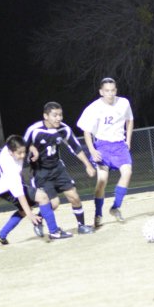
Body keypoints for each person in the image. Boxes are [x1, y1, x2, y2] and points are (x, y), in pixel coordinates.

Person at [24, 101, 96, 235]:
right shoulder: (34, 130)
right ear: (46, 116)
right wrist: (31, 148)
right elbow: (22, 146)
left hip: (58, 168)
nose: (59, 118)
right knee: (54, 203)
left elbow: (76, 148)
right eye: (55, 115)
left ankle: (81, 225)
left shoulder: (64, 129)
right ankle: (39, 220)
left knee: (74, 196)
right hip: (40, 171)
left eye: (60, 115)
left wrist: (88, 165)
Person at [0, 134, 70, 244]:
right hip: (5, 188)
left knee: (23, 211)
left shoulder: (9, 148)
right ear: (10, 152)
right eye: (19, 153)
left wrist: (33, 150)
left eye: (24, 152)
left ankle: (1, 235)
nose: (23, 155)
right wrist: (31, 215)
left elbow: (26, 144)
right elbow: (20, 194)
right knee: (43, 197)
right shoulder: (11, 169)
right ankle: (54, 231)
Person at [77, 77, 134, 227]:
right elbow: (86, 131)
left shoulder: (123, 103)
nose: (110, 93)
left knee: (127, 172)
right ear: (101, 92)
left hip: (120, 145)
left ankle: (115, 207)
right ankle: (98, 214)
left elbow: (130, 120)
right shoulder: (94, 108)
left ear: (116, 90)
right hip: (102, 146)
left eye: (113, 90)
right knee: (102, 179)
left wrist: (128, 140)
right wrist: (92, 150)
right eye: (107, 91)